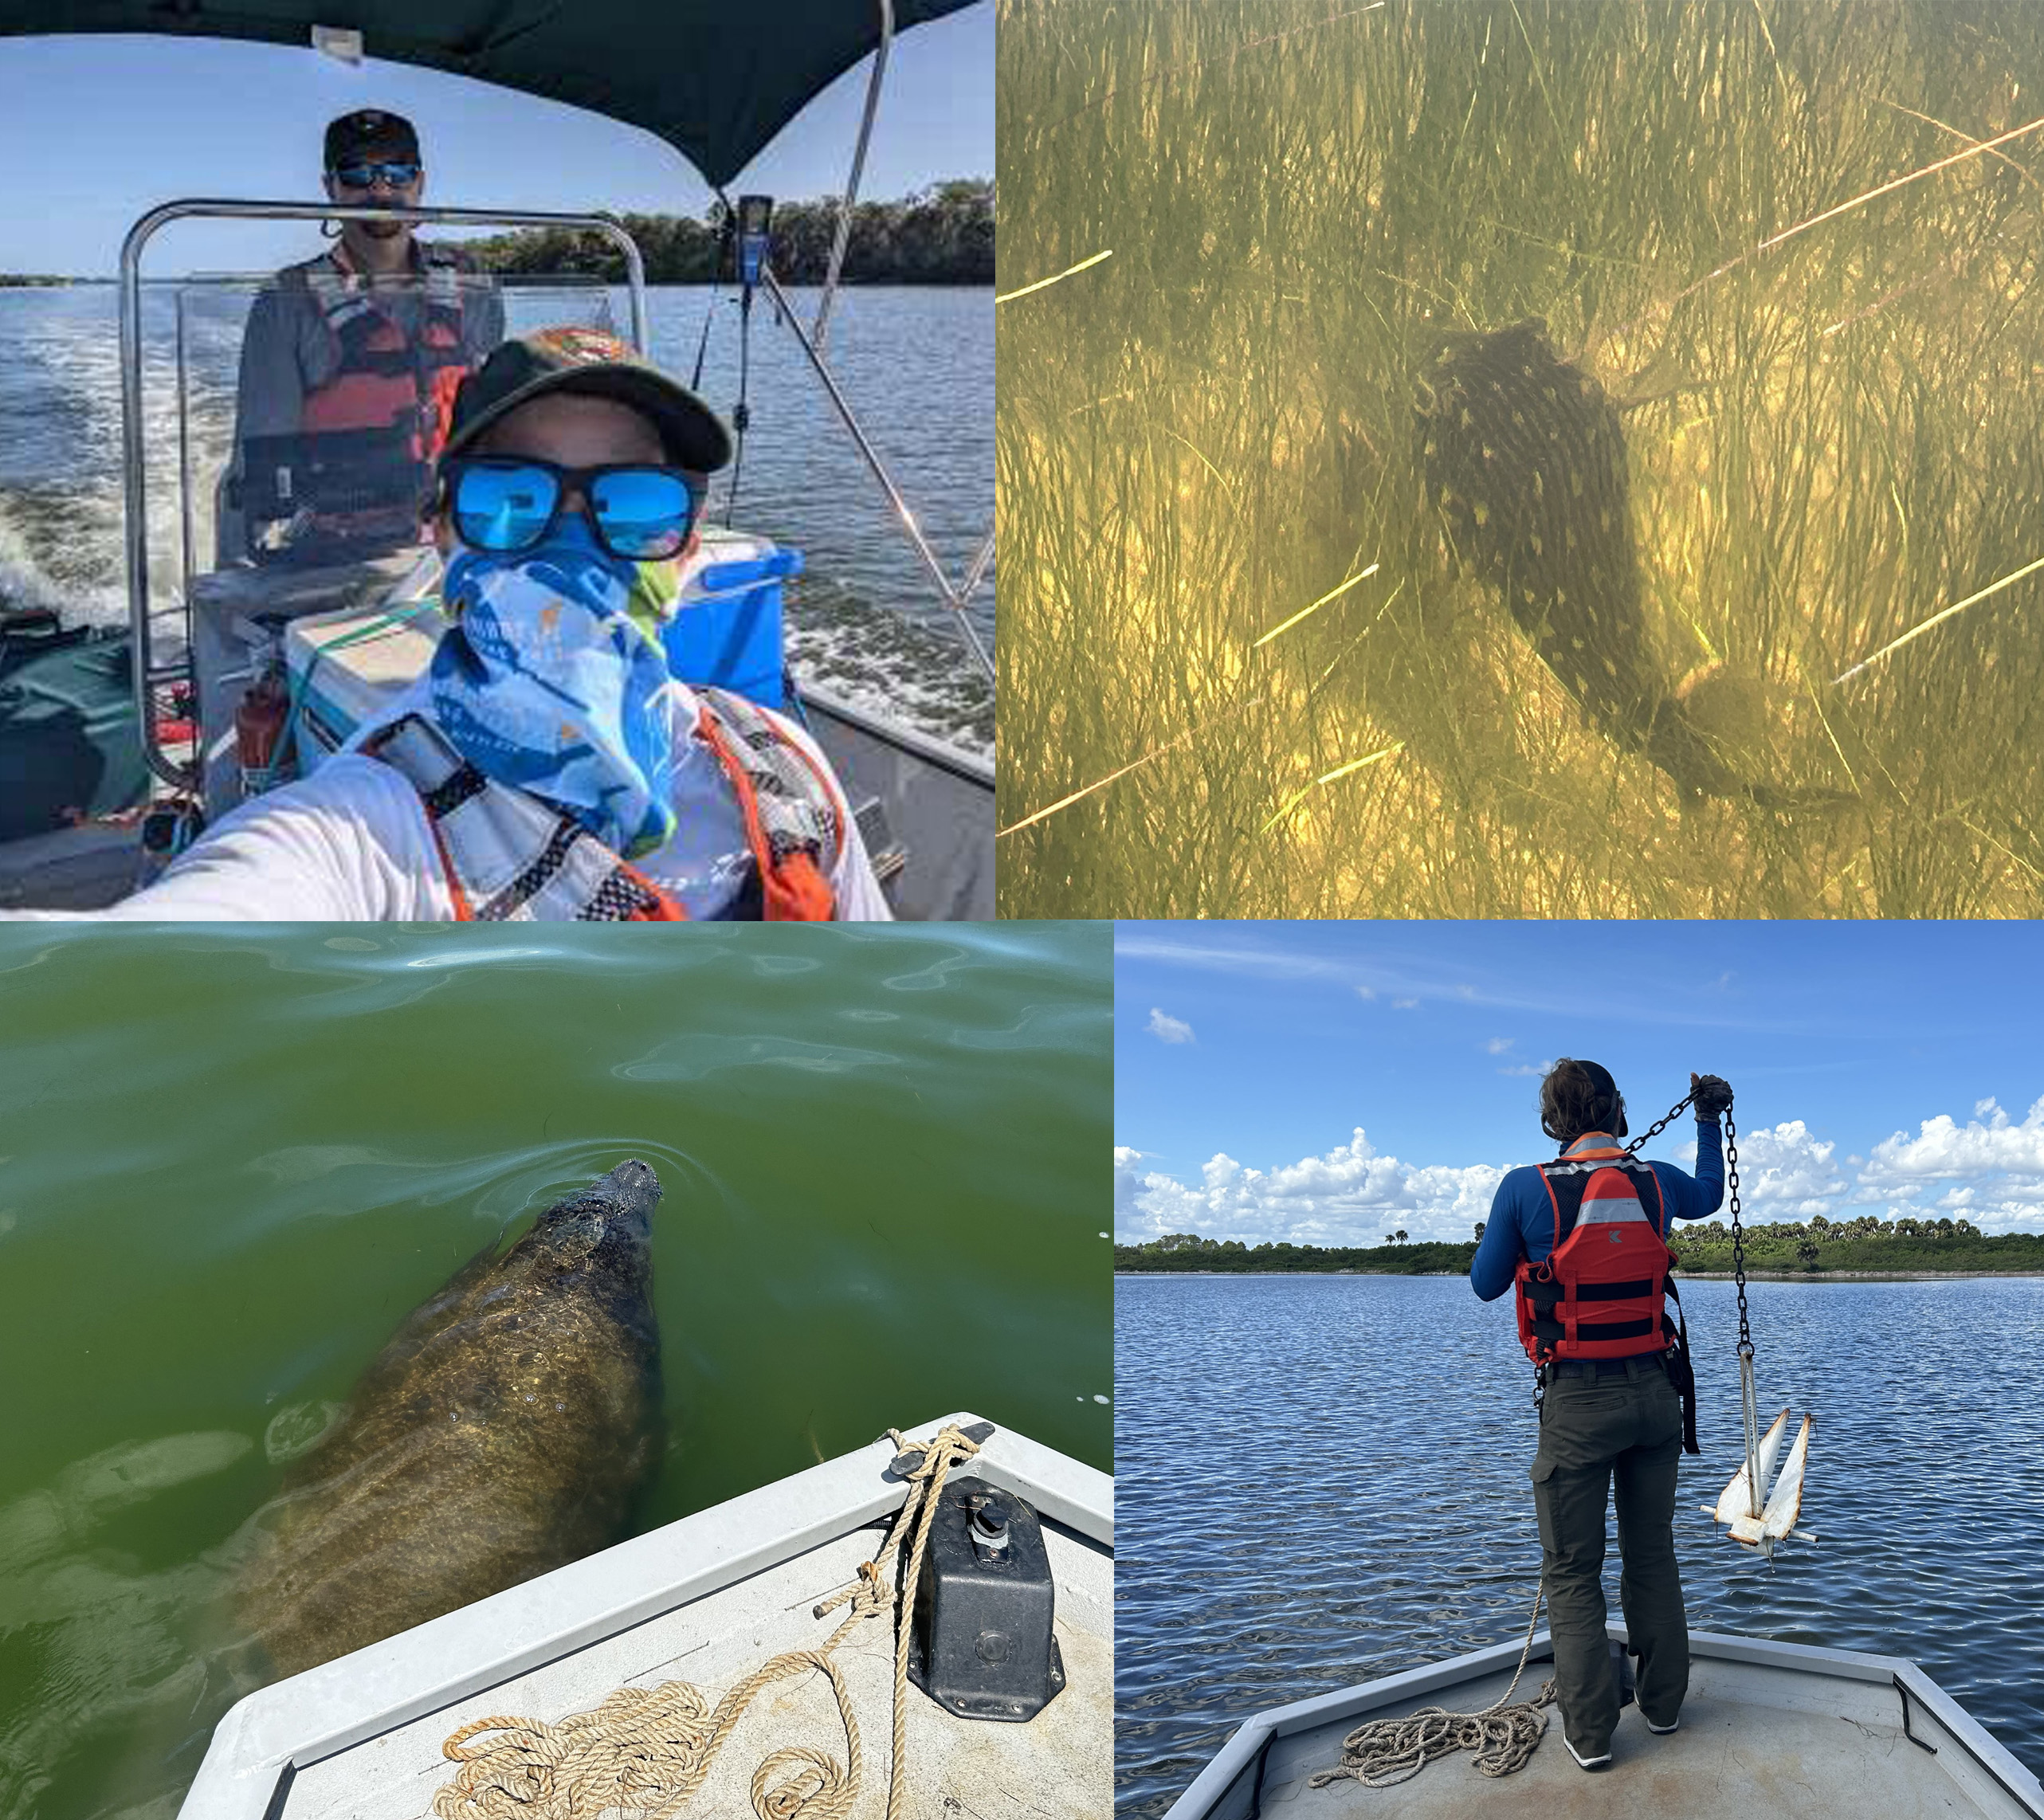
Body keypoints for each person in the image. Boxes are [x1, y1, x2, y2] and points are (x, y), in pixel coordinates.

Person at [8, 329, 890, 920]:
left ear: (689, 547)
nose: (573, 542)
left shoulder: (787, 772)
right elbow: (196, 936)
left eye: (633, 503)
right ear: (441, 530)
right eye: (512, 501)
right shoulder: (370, 823)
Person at [1468, 1060, 1733, 1771]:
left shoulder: (1524, 1186)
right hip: (1655, 1396)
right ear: (1617, 1109)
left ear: (1552, 1120)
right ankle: (1664, 1709)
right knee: (1651, 1554)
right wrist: (1706, 1120)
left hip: (1577, 1402)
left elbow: (1484, 1285)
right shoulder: (1654, 1181)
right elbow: (1709, 1193)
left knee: (1571, 1572)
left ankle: (1588, 1737)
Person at [226, 108, 504, 563]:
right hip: (339, 551)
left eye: (398, 173)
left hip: (457, 543)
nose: (380, 190)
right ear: (330, 188)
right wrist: (240, 578)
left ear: (420, 184)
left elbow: (496, 421)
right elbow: (256, 457)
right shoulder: (286, 300)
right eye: (357, 174)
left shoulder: (472, 281)